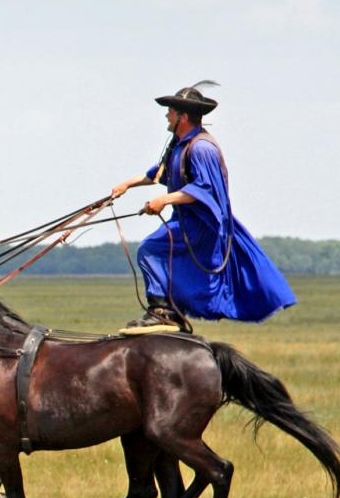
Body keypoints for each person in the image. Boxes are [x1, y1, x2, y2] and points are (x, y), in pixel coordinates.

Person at [110, 81, 296, 335]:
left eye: (171, 112)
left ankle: (162, 312)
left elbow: (204, 190)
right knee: (156, 252)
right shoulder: (179, 146)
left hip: (200, 225)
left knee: (150, 249)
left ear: (183, 117)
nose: (167, 115)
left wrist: (164, 200)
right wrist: (127, 185)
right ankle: (169, 310)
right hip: (184, 222)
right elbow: (159, 174)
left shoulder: (201, 148)